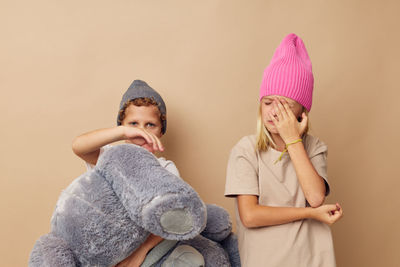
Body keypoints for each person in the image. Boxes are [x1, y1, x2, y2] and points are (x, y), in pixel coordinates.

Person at [224, 33, 343, 267]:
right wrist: (308, 214)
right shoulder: (246, 150)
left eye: (285, 106)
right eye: (268, 103)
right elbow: (250, 216)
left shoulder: (315, 147)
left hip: (313, 260)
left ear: (302, 113)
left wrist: (292, 139)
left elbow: (316, 197)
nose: (274, 112)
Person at [72, 80, 204, 267]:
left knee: (190, 256)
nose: (141, 132)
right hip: (109, 243)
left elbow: (172, 218)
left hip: (145, 246)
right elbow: (78, 146)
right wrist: (123, 132)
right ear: (121, 128)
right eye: (133, 124)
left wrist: (140, 253)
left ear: (161, 131)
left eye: (150, 125)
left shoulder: (165, 169)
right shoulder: (110, 158)